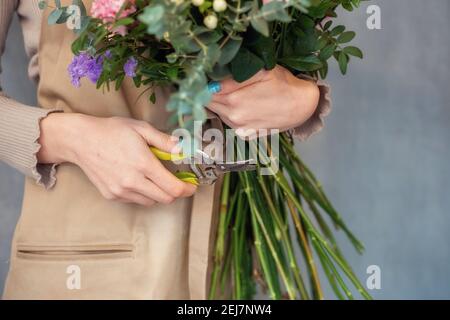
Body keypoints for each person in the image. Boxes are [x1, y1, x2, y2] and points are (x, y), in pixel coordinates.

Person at [0, 0, 330, 299]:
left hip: (231, 255)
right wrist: (75, 139)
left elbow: (292, 38)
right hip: (84, 271)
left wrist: (303, 99)